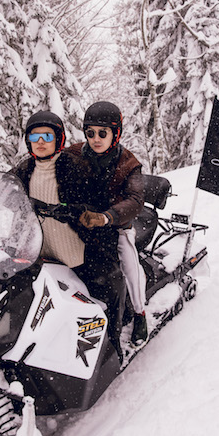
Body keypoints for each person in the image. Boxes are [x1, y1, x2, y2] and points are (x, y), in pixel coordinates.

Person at [11, 109, 126, 360]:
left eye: (47, 136)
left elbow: (98, 203)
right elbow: (6, 195)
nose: (41, 142)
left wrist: (71, 211)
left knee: (110, 284)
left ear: (59, 139)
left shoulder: (75, 167)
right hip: (40, 253)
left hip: (77, 250)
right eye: (34, 137)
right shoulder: (23, 170)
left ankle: (114, 340)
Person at [67, 101, 149, 346]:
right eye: (90, 132)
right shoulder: (74, 154)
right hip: (81, 224)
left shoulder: (128, 163)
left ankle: (140, 312)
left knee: (129, 265)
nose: (96, 139)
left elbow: (136, 199)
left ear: (116, 134)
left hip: (116, 225)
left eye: (103, 133)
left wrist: (107, 216)